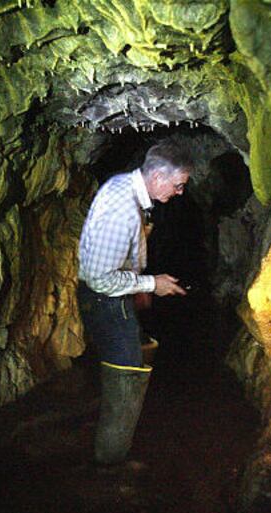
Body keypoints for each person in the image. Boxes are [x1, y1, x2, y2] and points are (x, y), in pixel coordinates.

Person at [77, 140, 192, 466]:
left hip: (111, 298)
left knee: (124, 368)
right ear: (157, 177)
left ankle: (106, 437)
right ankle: (110, 464)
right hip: (105, 301)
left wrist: (137, 284)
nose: (180, 192)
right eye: (178, 184)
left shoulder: (123, 187)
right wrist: (151, 284)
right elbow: (101, 279)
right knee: (127, 375)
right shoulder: (122, 209)